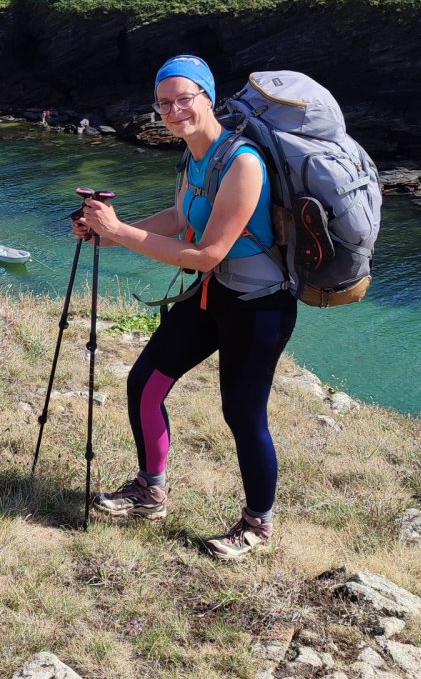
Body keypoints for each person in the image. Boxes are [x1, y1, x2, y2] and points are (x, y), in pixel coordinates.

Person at [72, 53, 296, 561]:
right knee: (145, 384)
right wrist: (106, 237)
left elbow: (206, 251)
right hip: (212, 294)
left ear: (207, 97)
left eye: (184, 99)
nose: (174, 110)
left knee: (242, 414)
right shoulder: (194, 157)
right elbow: (179, 217)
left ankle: (257, 526)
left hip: (259, 306)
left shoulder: (242, 162)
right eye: (165, 103)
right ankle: (151, 493)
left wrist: (121, 233)